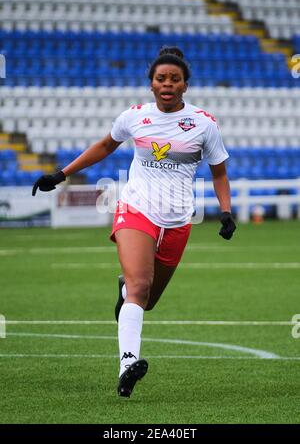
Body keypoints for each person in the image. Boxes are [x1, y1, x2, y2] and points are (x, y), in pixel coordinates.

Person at [32, 46, 236, 398]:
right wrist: (62, 174)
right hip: (136, 209)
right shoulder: (134, 117)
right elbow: (104, 146)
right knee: (140, 288)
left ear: (185, 85)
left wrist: (227, 211)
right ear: (151, 84)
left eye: (175, 79)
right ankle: (128, 364)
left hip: (178, 220)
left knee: (146, 300)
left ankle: (124, 292)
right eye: (161, 79)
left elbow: (219, 174)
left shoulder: (204, 124)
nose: (167, 84)